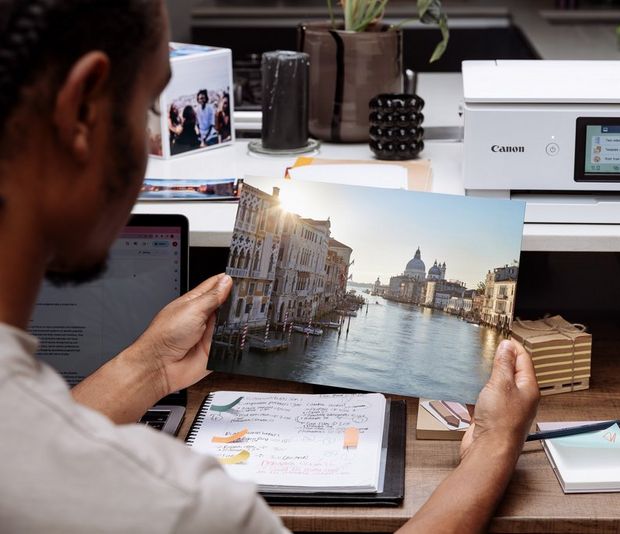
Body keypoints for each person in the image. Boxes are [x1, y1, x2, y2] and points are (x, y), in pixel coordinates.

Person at [0, 1, 540, 533]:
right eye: (148, 109)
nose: (151, 144)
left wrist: (152, 366)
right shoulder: (185, 505)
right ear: (81, 113)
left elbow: (33, 436)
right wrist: (492, 450)